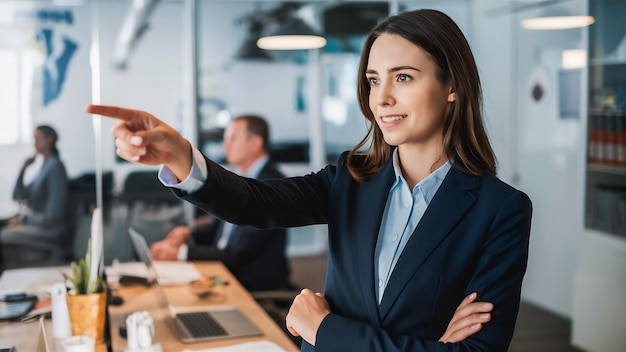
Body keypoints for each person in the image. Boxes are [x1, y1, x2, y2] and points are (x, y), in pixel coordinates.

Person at [86, 8, 532, 351]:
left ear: (451, 85)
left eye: (404, 77)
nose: (382, 98)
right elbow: (254, 202)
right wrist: (184, 157)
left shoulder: (500, 210)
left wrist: (325, 329)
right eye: (374, 80)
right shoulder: (351, 179)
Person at [149, 114, 290, 292]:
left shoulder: (271, 184)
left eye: (233, 138)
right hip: (223, 274)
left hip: (250, 286)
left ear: (255, 143)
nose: (226, 145)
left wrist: (180, 253)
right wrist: (189, 233)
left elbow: (237, 253)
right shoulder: (245, 178)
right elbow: (221, 226)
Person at [1, 124, 69, 269]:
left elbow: (53, 217)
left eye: (37, 138)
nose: (34, 143)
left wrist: (24, 219)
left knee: (3, 235)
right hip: (37, 224)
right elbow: (17, 195)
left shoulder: (55, 167)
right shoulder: (44, 168)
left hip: (50, 231)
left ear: (49, 139)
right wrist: (23, 169)